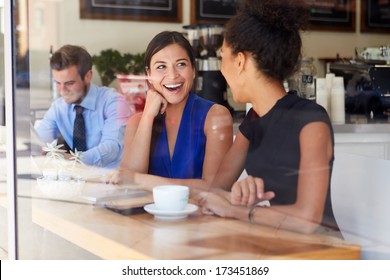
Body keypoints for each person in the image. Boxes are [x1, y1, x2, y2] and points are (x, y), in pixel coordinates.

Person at [198, 0, 340, 235]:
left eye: (223, 56)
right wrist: (241, 194)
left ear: (240, 61)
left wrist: (238, 210)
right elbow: (215, 192)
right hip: (279, 243)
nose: (221, 69)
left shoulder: (311, 121)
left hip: (323, 255)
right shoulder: (253, 120)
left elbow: (308, 220)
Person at [112, 31, 233, 193]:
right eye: (161, 67)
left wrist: (140, 180)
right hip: (145, 216)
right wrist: (147, 116)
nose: (173, 75)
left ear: (193, 70)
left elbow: (215, 189)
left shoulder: (215, 116)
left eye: (181, 64)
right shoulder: (137, 122)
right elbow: (126, 184)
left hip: (200, 216)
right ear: (149, 74)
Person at [36, 44, 133, 169]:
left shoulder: (113, 102)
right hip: (76, 181)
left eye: (69, 83)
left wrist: (73, 159)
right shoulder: (58, 108)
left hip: (111, 181)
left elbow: (112, 148)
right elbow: (38, 143)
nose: (62, 91)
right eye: (58, 83)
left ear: (88, 76)